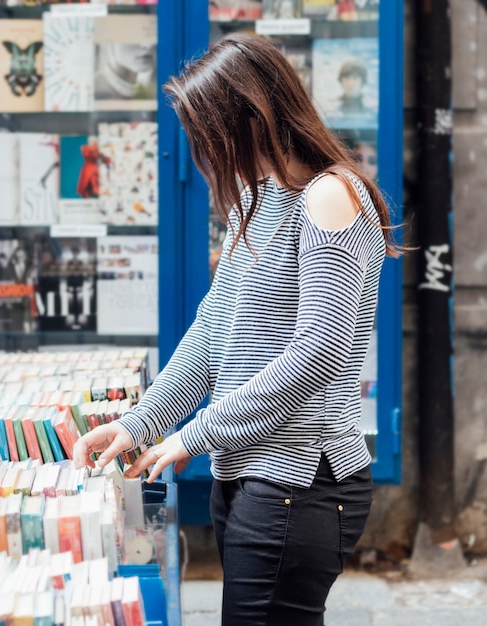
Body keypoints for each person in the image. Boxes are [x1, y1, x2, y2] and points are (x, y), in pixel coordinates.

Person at [74, 32, 400, 625]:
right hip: (246, 476)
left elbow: (316, 355)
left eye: (209, 136)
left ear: (253, 119)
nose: (202, 155)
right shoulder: (258, 196)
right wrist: (140, 423)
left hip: (298, 480)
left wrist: (193, 436)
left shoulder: (330, 195)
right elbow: (213, 331)